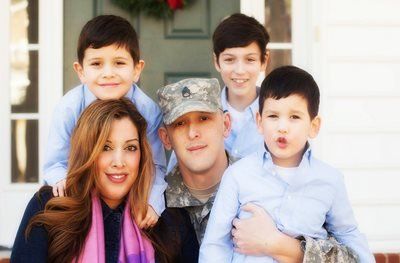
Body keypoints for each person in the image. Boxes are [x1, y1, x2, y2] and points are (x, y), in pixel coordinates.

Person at [157, 78, 358, 262]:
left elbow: (351, 251)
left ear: (226, 124)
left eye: (204, 118)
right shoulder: (152, 206)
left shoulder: (272, 179)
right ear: (165, 138)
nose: (193, 133)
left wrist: (285, 247)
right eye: (180, 123)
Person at [200, 66, 374, 262]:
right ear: (259, 121)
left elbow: (349, 234)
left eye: (294, 117)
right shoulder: (237, 175)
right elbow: (216, 244)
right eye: (273, 116)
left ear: (313, 126)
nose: (282, 127)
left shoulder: (330, 180)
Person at [11, 99, 197, 263]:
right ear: (86, 152)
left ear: (142, 155)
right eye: (105, 147)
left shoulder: (170, 218)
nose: (118, 162)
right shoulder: (50, 206)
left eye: (130, 148)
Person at [43, 15, 166, 227]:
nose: (108, 74)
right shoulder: (69, 108)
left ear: (137, 69)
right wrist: (61, 180)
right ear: (80, 71)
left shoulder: (147, 111)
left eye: (119, 63)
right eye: (97, 64)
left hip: (127, 193)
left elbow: (156, 166)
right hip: (80, 193)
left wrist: (153, 202)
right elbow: (55, 163)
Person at [166, 13, 268, 172]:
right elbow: (176, 170)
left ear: (264, 61)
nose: (239, 70)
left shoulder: (276, 116)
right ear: (216, 61)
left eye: (250, 60)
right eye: (229, 60)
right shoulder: (196, 112)